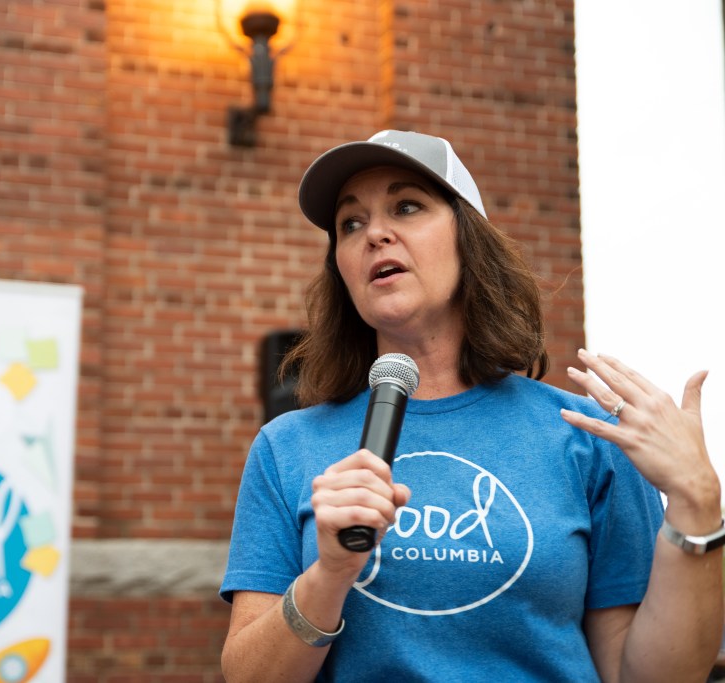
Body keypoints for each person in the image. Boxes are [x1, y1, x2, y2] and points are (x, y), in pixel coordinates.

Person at [219, 130, 723, 682]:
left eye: (406, 207)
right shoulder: (288, 447)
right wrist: (330, 573)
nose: (376, 234)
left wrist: (697, 502)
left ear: (468, 239)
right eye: (351, 223)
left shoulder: (587, 437)